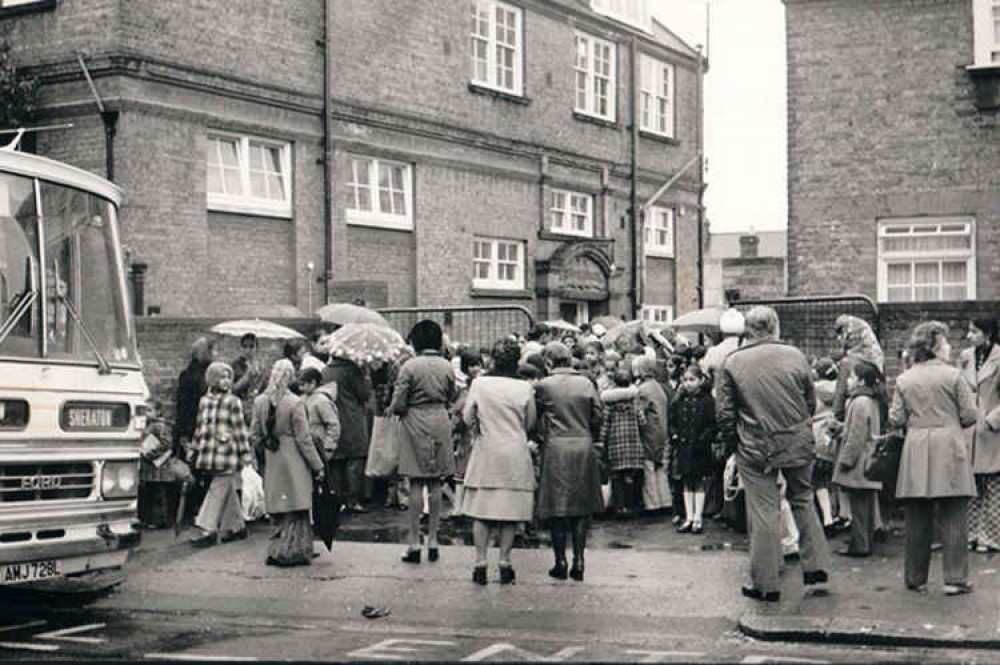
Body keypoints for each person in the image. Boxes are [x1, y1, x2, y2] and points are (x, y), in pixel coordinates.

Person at [716, 306, 831, 603]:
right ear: (775, 327)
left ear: (747, 330)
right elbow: (810, 403)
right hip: (797, 440)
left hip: (755, 445)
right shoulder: (795, 355)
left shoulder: (732, 362)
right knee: (803, 500)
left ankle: (766, 584)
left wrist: (733, 446)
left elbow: (725, 414)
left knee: (764, 510)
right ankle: (816, 569)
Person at [890, 321, 977, 595]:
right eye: (947, 342)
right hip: (949, 446)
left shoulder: (904, 379)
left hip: (916, 447)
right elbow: (970, 415)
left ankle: (915, 578)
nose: (950, 346)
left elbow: (896, 419)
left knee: (917, 515)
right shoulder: (954, 376)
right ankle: (954, 579)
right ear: (936, 345)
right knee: (953, 513)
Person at [460, 338, 536, 585]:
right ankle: (504, 561)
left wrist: (477, 430)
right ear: (516, 361)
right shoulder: (524, 387)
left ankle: (480, 561)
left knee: (482, 510)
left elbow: (467, 415)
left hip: (487, 449)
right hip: (514, 450)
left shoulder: (480, 384)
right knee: (510, 511)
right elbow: (530, 422)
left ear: (492, 358)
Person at [534, 341, 603, 582]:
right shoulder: (586, 383)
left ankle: (560, 560)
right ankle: (580, 560)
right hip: (583, 445)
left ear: (549, 361)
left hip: (556, 446)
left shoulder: (544, 386)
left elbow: (534, 418)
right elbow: (597, 415)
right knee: (581, 507)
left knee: (557, 507)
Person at [391, 320, 458, 564]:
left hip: (415, 421)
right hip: (439, 419)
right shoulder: (447, 366)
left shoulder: (409, 367)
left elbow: (399, 402)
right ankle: (433, 540)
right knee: (436, 482)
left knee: (416, 482)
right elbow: (453, 395)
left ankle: (413, 543)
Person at [252, 359, 326, 566]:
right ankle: (296, 550)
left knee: (278, 507)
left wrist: (261, 457)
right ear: (291, 376)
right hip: (294, 460)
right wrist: (318, 465)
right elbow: (304, 439)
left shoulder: (259, 402)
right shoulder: (295, 403)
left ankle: (276, 550)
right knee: (297, 506)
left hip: (272, 457)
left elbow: (255, 435)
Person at [189, 361, 253, 547]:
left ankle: (207, 528)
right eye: (221, 377)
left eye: (228, 377)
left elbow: (240, 429)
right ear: (212, 379)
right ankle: (236, 527)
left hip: (227, 452)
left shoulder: (233, 402)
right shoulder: (204, 401)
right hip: (209, 452)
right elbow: (200, 426)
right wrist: (194, 447)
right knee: (226, 489)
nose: (226, 381)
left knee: (217, 488)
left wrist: (245, 453)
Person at [831, 360, 883, 557]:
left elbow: (856, 435)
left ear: (860, 380)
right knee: (866, 504)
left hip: (859, 461)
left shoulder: (859, 402)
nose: (849, 380)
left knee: (858, 506)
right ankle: (864, 542)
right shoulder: (870, 400)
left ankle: (859, 545)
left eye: (852, 376)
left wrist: (845, 460)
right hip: (868, 459)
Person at [960, 317, 1000, 553]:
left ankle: (991, 537)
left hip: (992, 433)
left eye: (973, 331)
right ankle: (972, 534)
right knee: (972, 486)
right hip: (969, 432)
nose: (969, 336)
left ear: (987, 334)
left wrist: (992, 421)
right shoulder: (966, 357)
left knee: (993, 488)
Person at [322, 351, 372, 513]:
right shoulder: (352, 371)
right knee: (354, 461)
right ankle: (353, 500)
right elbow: (365, 394)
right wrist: (366, 375)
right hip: (353, 421)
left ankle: (337, 499)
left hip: (332, 419)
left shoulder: (325, 371)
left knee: (336, 462)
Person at [669, 363, 717, 534]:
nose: (689, 383)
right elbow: (672, 420)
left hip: (699, 448)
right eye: (686, 380)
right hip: (683, 446)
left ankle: (698, 517)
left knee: (699, 482)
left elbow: (712, 425)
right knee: (686, 481)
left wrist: (702, 440)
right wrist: (674, 435)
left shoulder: (707, 400)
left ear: (700, 380)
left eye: (692, 380)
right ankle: (689, 517)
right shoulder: (679, 400)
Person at [599, 367, 646, 518]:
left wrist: (602, 442)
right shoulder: (634, 400)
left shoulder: (609, 403)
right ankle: (631, 506)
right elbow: (642, 421)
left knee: (616, 477)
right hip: (633, 444)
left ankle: (620, 507)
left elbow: (605, 426)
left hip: (615, 444)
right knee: (631, 476)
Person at [633, 355, 670, 513]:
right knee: (660, 468)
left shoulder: (643, 390)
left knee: (649, 469)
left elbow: (639, 414)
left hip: (649, 432)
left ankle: (652, 504)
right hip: (661, 431)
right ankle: (665, 500)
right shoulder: (657, 387)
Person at [174, 337, 218, 448]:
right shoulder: (192, 375)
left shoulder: (205, 372)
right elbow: (184, 405)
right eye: (213, 351)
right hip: (193, 424)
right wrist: (184, 432)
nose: (216, 354)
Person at [298, 368, 340, 461]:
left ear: (312, 383)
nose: (300, 388)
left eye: (303, 384)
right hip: (310, 446)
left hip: (321, 446)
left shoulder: (321, 401)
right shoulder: (304, 398)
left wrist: (329, 446)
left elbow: (333, 424)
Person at [232, 333, 267, 427]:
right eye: (245, 347)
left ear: (256, 348)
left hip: (257, 406)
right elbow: (232, 390)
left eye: (251, 347)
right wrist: (246, 377)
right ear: (241, 348)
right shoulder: (235, 365)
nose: (248, 350)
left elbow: (265, 387)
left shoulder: (261, 366)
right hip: (240, 406)